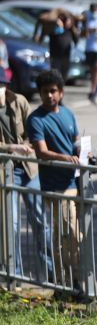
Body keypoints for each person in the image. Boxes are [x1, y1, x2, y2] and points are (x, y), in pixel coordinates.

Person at [27, 70, 85, 293]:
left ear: (61, 92)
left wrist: (81, 152)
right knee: (69, 234)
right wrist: (66, 158)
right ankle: (67, 283)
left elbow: (75, 140)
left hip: (74, 183)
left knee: (69, 236)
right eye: (45, 92)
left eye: (53, 91)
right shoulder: (36, 119)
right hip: (55, 186)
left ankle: (70, 282)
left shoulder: (68, 114)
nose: (49, 95)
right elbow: (41, 152)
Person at [0, 69, 50, 278]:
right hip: (5, 171)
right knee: (9, 225)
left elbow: (34, 131)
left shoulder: (19, 101)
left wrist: (28, 146)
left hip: (29, 169)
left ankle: (50, 274)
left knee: (40, 221)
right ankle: (15, 275)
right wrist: (12, 148)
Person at [81, 3, 97, 102]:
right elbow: (83, 33)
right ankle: (93, 88)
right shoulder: (87, 18)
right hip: (89, 48)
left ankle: (95, 90)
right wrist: (89, 29)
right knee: (92, 70)